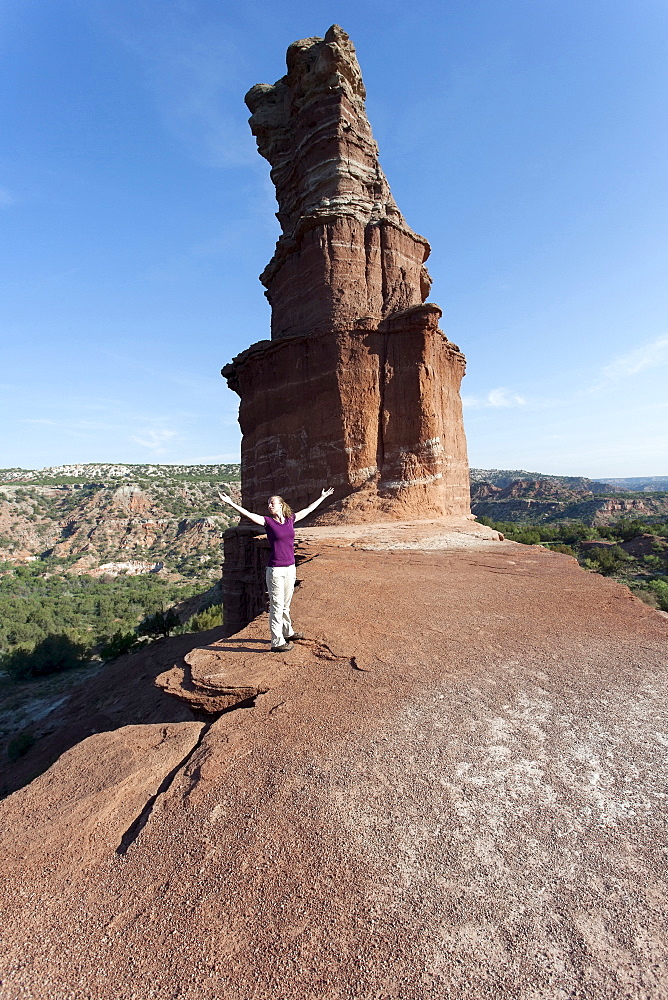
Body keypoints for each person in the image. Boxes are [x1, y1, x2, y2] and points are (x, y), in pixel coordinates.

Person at [219, 487, 334, 652]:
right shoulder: (268, 522)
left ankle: (288, 632)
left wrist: (322, 497)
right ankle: (277, 641)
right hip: (275, 570)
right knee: (277, 605)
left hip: (290, 568)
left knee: (286, 604)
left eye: (272, 503)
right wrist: (230, 503)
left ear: (281, 505)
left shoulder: (290, 519)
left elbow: (308, 510)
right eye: (268, 504)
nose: (269, 506)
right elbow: (248, 514)